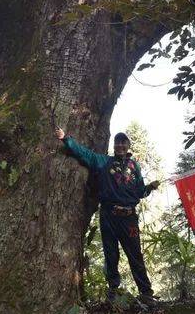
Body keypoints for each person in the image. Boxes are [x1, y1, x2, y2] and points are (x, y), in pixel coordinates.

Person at [55, 127, 160, 304]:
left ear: (128, 145)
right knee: (111, 255)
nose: (120, 145)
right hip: (109, 215)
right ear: (114, 146)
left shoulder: (135, 167)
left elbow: (140, 191)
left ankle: (146, 293)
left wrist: (149, 187)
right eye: (117, 142)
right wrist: (66, 139)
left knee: (135, 254)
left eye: (123, 142)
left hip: (129, 218)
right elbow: (84, 154)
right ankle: (113, 292)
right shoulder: (103, 162)